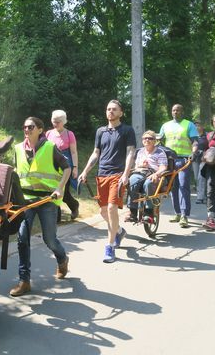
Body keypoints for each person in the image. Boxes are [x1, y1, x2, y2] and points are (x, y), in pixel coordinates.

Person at [10, 116, 70, 297]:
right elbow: (16, 173)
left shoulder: (50, 148)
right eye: (24, 127)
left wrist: (60, 188)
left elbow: (66, 168)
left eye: (30, 127)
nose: (26, 130)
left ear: (40, 129)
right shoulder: (18, 149)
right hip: (26, 200)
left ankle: (62, 258)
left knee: (49, 240)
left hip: (47, 201)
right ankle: (24, 281)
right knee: (22, 239)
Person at [79, 100, 136, 263]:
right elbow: (96, 153)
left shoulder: (127, 130)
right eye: (108, 109)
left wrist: (126, 174)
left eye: (114, 109)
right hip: (102, 174)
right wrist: (85, 171)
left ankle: (110, 247)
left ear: (121, 113)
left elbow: (131, 153)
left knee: (111, 208)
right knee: (103, 212)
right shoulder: (101, 131)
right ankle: (118, 230)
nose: (110, 111)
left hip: (117, 175)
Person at [158, 104, 199, 228]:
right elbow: (159, 141)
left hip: (184, 159)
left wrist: (193, 152)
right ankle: (177, 213)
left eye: (178, 110)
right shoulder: (165, 125)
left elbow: (195, 141)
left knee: (183, 185)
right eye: (173, 110)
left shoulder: (189, 125)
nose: (175, 112)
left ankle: (184, 215)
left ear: (182, 112)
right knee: (172, 187)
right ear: (171, 112)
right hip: (170, 160)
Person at [127, 130, 168, 224]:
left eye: (150, 138)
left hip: (155, 174)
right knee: (132, 180)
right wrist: (141, 165)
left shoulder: (160, 152)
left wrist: (156, 174)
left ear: (154, 141)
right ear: (142, 141)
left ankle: (149, 214)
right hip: (141, 172)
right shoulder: (140, 152)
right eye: (145, 138)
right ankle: (132, 213)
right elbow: (136, 166)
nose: (147, 140)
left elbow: (163, 167)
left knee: (149, 183)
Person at [46, 109, 80, 220]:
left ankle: (74, 206)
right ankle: (57, 217)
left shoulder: (70, 134)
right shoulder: (48, 134)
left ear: (64, 121)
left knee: (64, 194)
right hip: (52, 166)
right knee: (53, 190)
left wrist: (75, 168)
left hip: (66, 167)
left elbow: (74, 152)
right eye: (54, 121)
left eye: (58, 121)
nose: (55, 124)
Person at [193, 120, 208, 204]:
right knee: (196, 178)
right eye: (195, 126)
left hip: (204, 158)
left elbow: (210, 146)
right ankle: (203, 195)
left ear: (202, 127)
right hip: (195, 159)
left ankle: (200, 197)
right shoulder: (192, 136)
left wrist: (205, 154)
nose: (196, 127)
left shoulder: (207, 136)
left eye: (198, 125)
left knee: (201, 177)